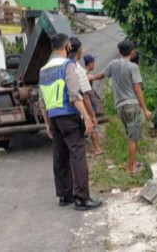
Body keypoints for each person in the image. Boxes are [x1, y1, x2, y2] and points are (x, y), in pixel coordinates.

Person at [39, 33, 102, 211]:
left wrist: (47, 124)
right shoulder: (68, 66)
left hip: (53, 117)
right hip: (69, 115)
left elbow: (42, 101)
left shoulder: (43, 70)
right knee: (77, 155)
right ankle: (82, 198)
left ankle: (64, 195)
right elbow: (75, 95)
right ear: (67, 46)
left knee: (60, 157)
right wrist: (87, 118)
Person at [90, 40, 152, 173]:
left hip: (120, 107)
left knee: (130, 135)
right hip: (132, 105)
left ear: (119, 51)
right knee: (133, 138)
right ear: (132, 52)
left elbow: (102, 74)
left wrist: (92, 77)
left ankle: (132, 163)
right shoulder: (133, 67)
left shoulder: (113, 64)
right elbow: (137, 89)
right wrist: (145, 109)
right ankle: (131, 167)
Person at [68, 37, 103, 156]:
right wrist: (91, 116)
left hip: (63, 113)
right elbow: (86, 97)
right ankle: (97, 148)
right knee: (91, 127)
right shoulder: (80, 71)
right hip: (79, 109)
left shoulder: (60, 68)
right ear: (79, 51)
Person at [83, 54, 104, 156]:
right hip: (88, 104)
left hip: (87, 103)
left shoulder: (85, 73)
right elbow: (92, 77)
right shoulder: (86, 74)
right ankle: (97, 148)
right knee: (93, 123)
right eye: (93, 62)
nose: (94, 64)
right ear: (90, 63)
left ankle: (95, 147)